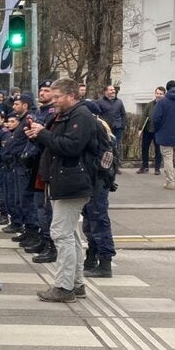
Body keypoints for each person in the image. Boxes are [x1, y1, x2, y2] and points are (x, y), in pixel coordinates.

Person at [24, 78, 97, 302]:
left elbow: (71, 147)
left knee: (61, 234)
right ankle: (75, 284)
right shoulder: (67, 115)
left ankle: (64, 287)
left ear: (71, 95)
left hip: (72, 182)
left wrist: (43, 134)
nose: (53, 101)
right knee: (70, 235)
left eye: (57, 97)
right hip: (66, 181)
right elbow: (56, 144)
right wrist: (39, 136)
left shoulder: (80, 116)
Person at [81, 103, 117, 279]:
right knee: (90, 222)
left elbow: (106, 159)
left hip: (97, 182)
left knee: (98, 221)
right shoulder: (95, 127)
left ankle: (104, 262)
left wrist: (95, 173)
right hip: (92, 181)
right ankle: (92, 257)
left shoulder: (97, 128)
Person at [27, 81, 58, 261]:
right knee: (39, 206)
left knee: (46, 208)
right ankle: (43, 239)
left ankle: (50, 244)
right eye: (41, 90)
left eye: (47, 91)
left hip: (47, 164)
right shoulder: (39, 112)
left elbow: (50, 140)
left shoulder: (52, 114)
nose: (42, 93)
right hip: (37, 163)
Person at [4, 95, 40, 247]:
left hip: (24, 166)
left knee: (27, 200)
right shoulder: (22, 121)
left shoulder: (29, 120)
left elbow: (29, 143)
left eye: (17, 104)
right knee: (20, 200)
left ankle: (33, 232)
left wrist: (25, 156)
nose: (14, 107)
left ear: (25, 106)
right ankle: (27, 229)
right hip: (17, 164)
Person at [152, 80, 175, 190]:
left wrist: (158, 130)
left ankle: (170, 182)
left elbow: (156, 118)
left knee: (168, 158)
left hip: (165, 134)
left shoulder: (162, 102)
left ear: (167, 89)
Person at [96, 85, 126, 171]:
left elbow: (123, 114)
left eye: (114, 90)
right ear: (105, 92)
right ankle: (105, 165)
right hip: (105, 129)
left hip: (118, 128)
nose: (113, 91)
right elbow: (97, 115)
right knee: (105, 146)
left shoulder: (119, 102)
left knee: (117, 146)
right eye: (111, 90)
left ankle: (116, 166)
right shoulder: (99, 102)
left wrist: (123, 125)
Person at [137, 87, 165, 175]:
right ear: (155, 94)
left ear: (164, 95)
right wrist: (140, 128)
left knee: (158, 150)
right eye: (157, 93)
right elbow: (144, 116)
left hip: (159, 131)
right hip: (148, 130)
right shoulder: (150, 104)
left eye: (161, 94)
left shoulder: (165, 105)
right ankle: (144, 166)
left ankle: (157, 168)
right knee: (144, 148)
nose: (159, 95)